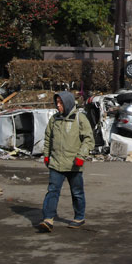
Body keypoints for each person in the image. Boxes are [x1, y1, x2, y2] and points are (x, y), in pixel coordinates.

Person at [39, 91, 94, 232]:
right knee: (52, 191)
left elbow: (88, 139)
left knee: (77, 193)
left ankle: (79, 217)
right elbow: (48, 138)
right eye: (57, 103)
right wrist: (46, 155)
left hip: (74, 164)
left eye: (61, 103)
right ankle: (48, 219)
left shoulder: (79, 119)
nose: (58, 106)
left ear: (68, 103)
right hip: (56, 163)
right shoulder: (54, 119)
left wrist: (81, 156)